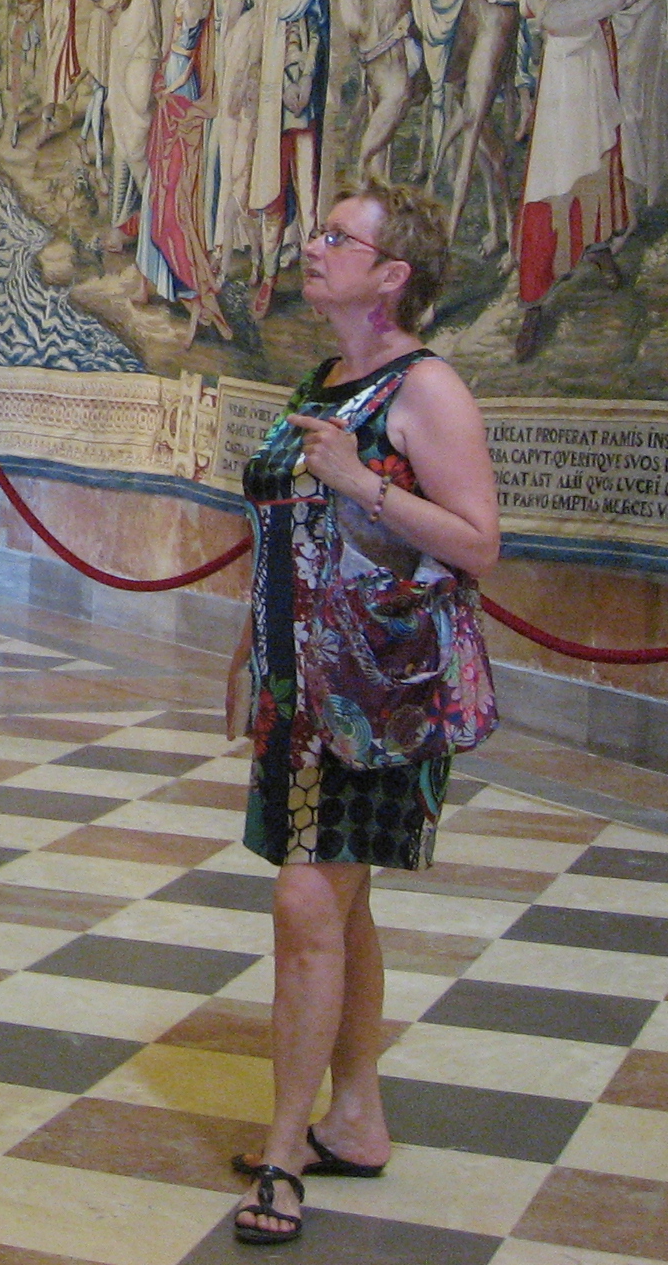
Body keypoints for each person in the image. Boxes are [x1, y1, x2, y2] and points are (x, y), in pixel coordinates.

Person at [224, 180, 499, 1245]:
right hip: (301, 686)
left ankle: (283, 1153)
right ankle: (356, 1119)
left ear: (391, 276)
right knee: (341, 905)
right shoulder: (326, 378)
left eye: (338, 237)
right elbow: (288, 532)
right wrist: (247, 649)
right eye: (319, 230)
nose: (314, 244)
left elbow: (477, 542)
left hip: (384, 693)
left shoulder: (426, 388)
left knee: (306, 902)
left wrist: (358, 480)